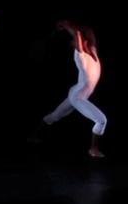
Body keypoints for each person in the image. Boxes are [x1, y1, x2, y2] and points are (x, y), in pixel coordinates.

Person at [31, 20, 107, 157]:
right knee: (101, 120)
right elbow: (78, 33)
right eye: (75, 43)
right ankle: (93, 149)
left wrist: (67, 23)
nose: (81, 40)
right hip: (78, 97)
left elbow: (89, 30)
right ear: (76, 47)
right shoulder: (81, 58)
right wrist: (66, 24)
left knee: (54, 116)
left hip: (76, 92)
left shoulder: (93, 52)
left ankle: (33, 136)